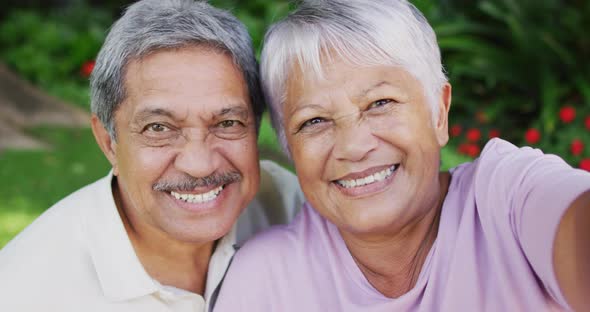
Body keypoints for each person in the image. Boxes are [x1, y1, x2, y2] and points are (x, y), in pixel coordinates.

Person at [214, 0, 590, 311]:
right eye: (314, 121)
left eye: (380, 103)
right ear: (289, 148)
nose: (353, 146)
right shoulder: (269, 279)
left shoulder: (508, 201)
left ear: (438, 113)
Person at [0, 0, 304, 311]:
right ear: (109, 143)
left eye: (227, 123)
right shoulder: (25, 291)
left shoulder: (293, 208)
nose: (199, 165)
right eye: (158, 128)